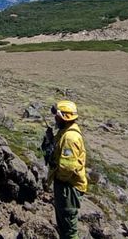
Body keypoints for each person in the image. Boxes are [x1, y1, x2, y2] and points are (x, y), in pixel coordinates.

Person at [47, 100, 87, 239]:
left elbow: (67, 167)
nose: (55, 119)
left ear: (65, 117)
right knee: (64, 223)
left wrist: (58, 179)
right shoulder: (65, 131)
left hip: (68, 188)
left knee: (69, 229)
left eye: (57, 116)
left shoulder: (70, 137)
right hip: (65, 187)